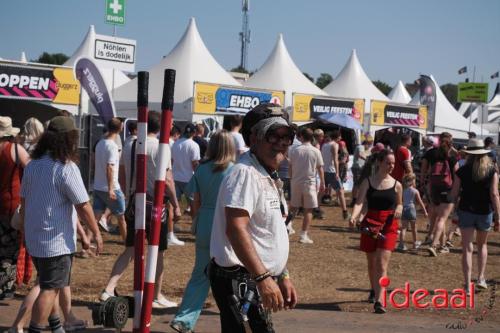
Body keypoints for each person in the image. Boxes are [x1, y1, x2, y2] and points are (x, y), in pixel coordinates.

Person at [209, 103, 298, 332]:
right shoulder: (245, 173)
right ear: (254, 138)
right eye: (272, 135)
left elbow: (267, 231)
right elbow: (236, 229)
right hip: (239, 280)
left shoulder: (266, 173)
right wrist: (264, 278)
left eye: (286, 136)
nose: (280, 142)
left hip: (252, 279)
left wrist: (282, 274)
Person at [19, 116, 103, 333]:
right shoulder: (66, 168)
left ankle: (56, 326)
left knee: (50, 285)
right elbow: (83, 205)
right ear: (69, 139)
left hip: (35, 237)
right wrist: (96, 232)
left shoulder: (32, 165)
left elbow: (24, 202)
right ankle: (35, 328)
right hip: (54, 239)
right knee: (50, 288)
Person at [100, 111, 181, 308]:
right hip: (155, 205)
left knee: (130, 249)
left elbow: (123, 172)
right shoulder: (162, 147)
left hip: (134, 202)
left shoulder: (130, 143)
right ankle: (155, 295)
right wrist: (177, 205)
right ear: (160, 126)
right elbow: (168, 179)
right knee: (158, 251)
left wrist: (128, 194)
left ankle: (109, 289)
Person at [170, 130, 236, 333]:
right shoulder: (234, 170)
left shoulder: (201, 169)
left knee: (200, 274)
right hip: (225, 223)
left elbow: (194, 200)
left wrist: (197, 220)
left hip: (205, 221)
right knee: (234, 274)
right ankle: (237, 317)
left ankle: (184, 319)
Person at [349, 148, 402, 314]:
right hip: (370, 224)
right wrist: (354, 216)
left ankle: (380, 300)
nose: (391, 166)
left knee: (381, 263)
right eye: (388, 163)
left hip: (389, 225)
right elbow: (359, 202)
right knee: (371, 263)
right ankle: (374, 289)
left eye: (393, 163)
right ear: (379, 162)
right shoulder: (368, 182)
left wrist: (400, 208)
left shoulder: (397, 184)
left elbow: (400, 203)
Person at [449, 139, 500, 294]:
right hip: (485, 211)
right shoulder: (492, 171)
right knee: (482, 245)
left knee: (467, 248)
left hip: (466, 210)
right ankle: (481, 278)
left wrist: (452, 208)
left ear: (469, 154)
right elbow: (494, 194)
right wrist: (498, 215)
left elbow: (454, 193)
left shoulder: (462, 171)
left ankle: (467, 284)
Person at [0, 116, 30, 300]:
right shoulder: (15, 150)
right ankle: (6, 287)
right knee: (10, 247)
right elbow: (32, 170)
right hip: (12, 204)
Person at [92, 118, 127, 241]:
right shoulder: (113, 146)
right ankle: (128, 246)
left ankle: (86, 245)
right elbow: (110, 167)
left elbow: (96, 163)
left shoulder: (100, 143)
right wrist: (111, 188)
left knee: (95, 218)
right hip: (111, 188)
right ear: (120, 128)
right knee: (122, 217)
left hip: (98, 186)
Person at [424, 132, 458, 256]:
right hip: (447, 190)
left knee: (440, 218)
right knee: (442, 219)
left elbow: (427, 171)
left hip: (434, 189)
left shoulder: (434, 156)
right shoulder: (452, 159)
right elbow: (457, 174)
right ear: (450, 146)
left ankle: (442, 245)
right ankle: (433, 244)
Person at [289, 127, 325, 244]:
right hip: (309, 182)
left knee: (293, 207)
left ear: (301, 137)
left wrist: (291, 178)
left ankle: (287, 226)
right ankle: (303, 235)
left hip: (296, 181)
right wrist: (323, 183)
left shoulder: (294, 150)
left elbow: (290, 167)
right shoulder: (316, 151)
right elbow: (320, 169)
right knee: (308, 210)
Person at [171, 123, 200, 245]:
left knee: (172, 205)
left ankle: (170, 230)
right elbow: (195, 164)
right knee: (194, 206)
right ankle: (195, 230)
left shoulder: (176, 143)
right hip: (189, 178)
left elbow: (172, 160)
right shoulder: (194, 145)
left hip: (176, 177)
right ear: (193, 133)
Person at [397, 173, 427, 251]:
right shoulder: (415, 191)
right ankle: (415, 243)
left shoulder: (402, 190)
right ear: (412, 181)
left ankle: (401, 244)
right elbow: (420, 202)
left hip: (404, 209)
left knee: (403, 228)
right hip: (411, 209)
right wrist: (425, 211)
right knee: (414, 228)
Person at [350, 134, 373, 207]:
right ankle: (354, 200)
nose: (370, 145)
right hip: (358, 168)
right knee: (357, 184)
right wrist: (367, 160)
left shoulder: (366, 149)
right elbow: (360, 155)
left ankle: (357, 199)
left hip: (361, 168)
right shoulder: (361, 147)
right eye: (369, 143)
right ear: (366, 142)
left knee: (359, 184)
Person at [119, 120, 138, 203]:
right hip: (136, 183)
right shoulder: (137, 144)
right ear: (135, 130)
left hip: (127, 184)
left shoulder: (126, 143)